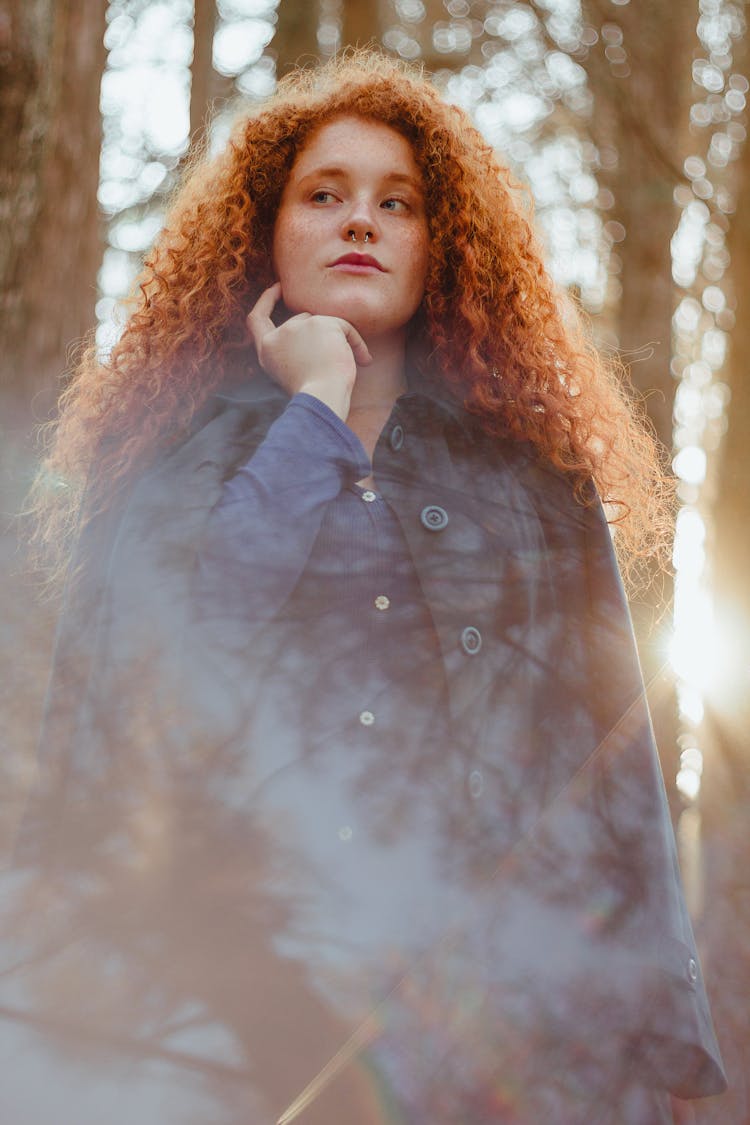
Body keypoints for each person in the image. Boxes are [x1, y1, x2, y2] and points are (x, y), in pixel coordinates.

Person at [4, 51, 726, 1124]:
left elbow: (613, 771)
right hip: (229, 1024)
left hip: (497, 1026)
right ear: (270, 233)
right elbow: (160, 687)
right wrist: (318, 407)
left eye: (399, 203)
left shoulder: (536, 484)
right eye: (326, 195)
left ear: (443, 247)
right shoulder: (161, 475)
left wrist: (664, 1053)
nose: (362, 222)